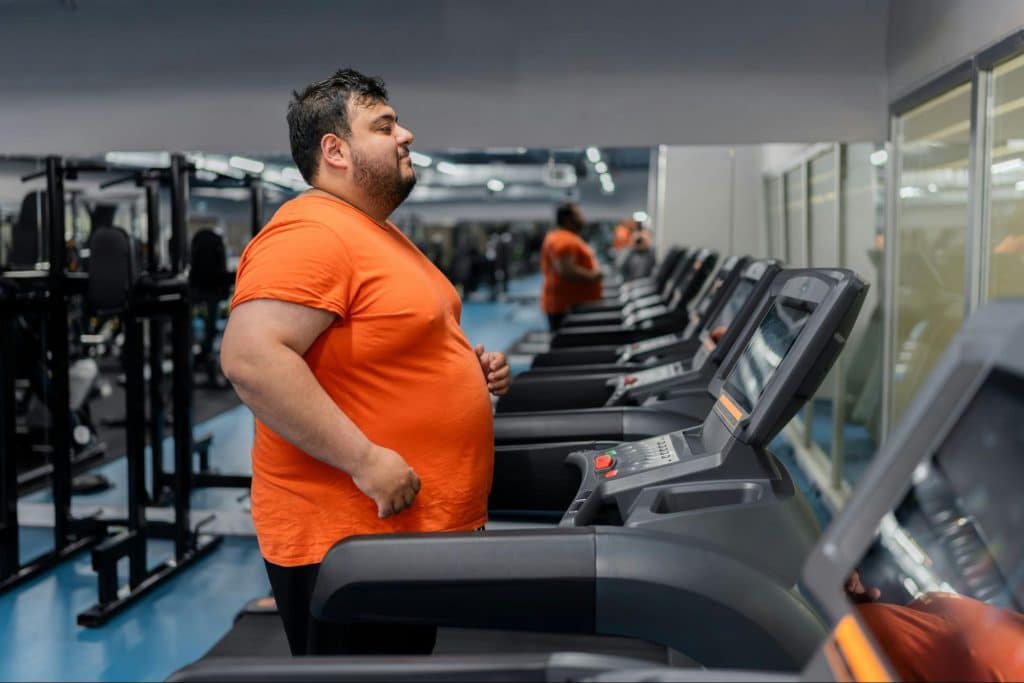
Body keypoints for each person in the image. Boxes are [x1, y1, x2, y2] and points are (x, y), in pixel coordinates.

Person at [219, 68, 511, 657]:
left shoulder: (373, 232)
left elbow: (388, 341)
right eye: (384, 126)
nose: (406, 134)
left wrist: (466, 368)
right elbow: (251, 358)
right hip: (352, 539)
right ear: (335, 151)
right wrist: (366, 460)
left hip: (399, 534)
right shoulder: (311, 232)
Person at [540, 203, 603, 330]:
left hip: (568, 304)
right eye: (579, 215)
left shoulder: (562, 237)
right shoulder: (564, 239)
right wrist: (595, 276)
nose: (583, 219)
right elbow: (567, 271)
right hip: (567, 307)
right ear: (568, 219)